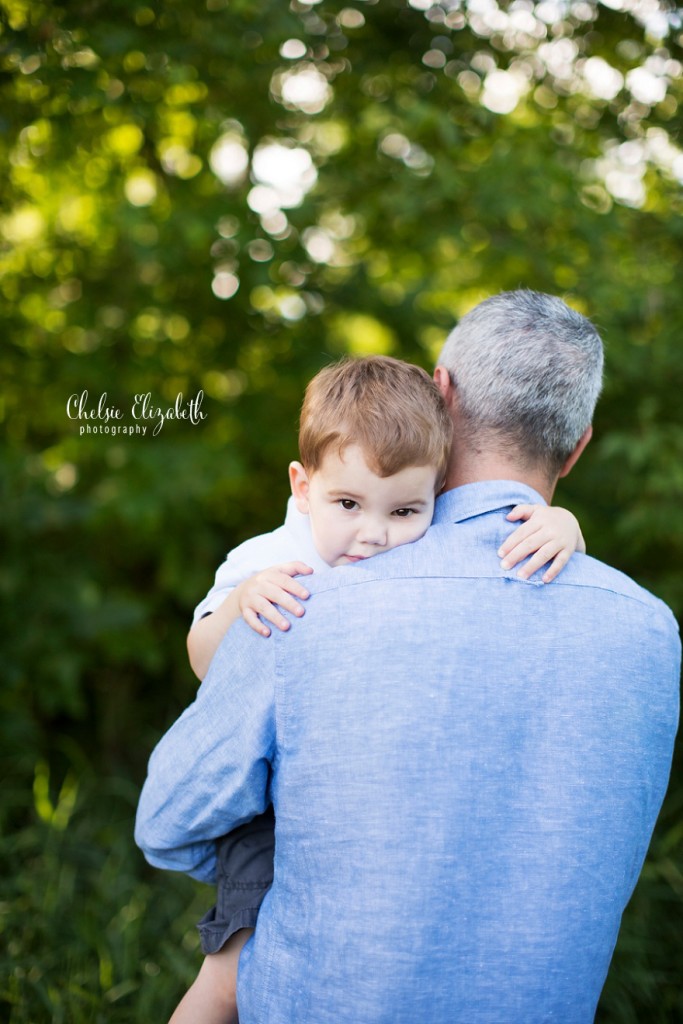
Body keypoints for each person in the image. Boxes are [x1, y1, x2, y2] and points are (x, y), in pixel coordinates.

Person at [136, 291, 680, 1024]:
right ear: (578, 444)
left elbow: (167, 822)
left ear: (441, 394)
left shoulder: (308, 605)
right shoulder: (647, 632)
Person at [168, 354, 584, 1024]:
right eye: (348, 504)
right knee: (232, 978)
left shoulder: (416, 540)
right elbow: (198, 657)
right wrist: (243, 606)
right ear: (303, 487)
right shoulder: (273, 559)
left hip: (365, 794)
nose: (373, 533)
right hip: (267, 805)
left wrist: (560, 525)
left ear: (437, 493)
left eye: (404, 510)